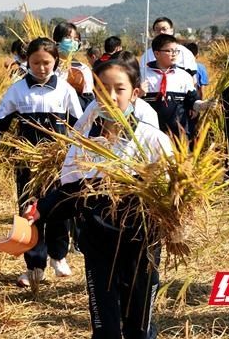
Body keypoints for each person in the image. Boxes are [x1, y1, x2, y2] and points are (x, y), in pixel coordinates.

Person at [24, 59, 172, 338]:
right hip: (98, 242)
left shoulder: (153, 140)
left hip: (142, 243)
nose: (112, 97)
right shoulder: (84, 146)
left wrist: (177, 232)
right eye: (104, 90)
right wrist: (41, 209)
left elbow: (172, 196)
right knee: (104, 326)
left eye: (120, 89)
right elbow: (70, 191)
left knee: (139, 326)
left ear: (135, 93)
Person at [0, 37, 83, 287]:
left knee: (58, 208)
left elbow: (80, 125)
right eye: (36, 63)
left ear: (56, 61)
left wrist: (80, 155)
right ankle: (35, 266)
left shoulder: (65, 89)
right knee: (29, 212)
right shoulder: (18, 89)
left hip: (57, 163)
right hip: (27, 162)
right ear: (27, 62)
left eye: (47, 62)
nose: (42, 68)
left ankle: (58, 256)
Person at [140, 34, 211, 138]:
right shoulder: (142, 74)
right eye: (169, 51)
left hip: (178, 136)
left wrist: (204, 105)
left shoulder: (184, 76)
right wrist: (139, 94)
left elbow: (192, 101)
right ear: (157, 53)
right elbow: (131, 103)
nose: (174, 54)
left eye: (176, 51)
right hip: (149, 136)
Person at [52, 22, 95, 109]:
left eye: (75, 39)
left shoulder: (82, 69)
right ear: (57, 40)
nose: (73, 42)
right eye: (68, 37)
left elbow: (88, 100)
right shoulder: (48, 66)